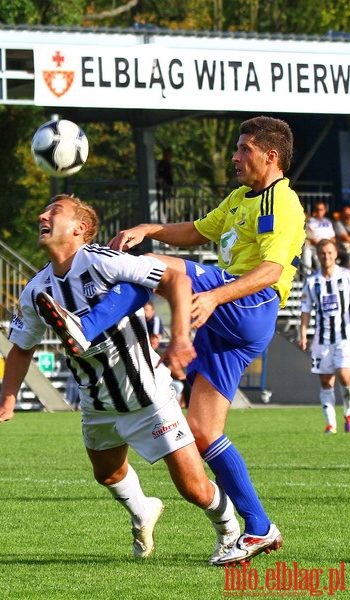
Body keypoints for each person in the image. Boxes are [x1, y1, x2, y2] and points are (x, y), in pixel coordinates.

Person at [0, 194, 240, 563]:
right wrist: (7, 400)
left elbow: (176, 278)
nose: (42, 215)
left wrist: (180, 337)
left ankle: (229, 529)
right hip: (97, 402)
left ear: (80, 229)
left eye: (55, 212)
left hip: (147, 396)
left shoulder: (101, 260)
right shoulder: (37, 290)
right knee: (109, 475)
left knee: (193, 489)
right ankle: (143, 511)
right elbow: (21, 347)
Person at [105, 115, 306, 565]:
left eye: (244, 149)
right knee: (201, 432)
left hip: (247, 307)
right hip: (227, 319)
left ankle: (91, 323)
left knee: (160, 268)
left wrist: (214, 295)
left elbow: (272, 270)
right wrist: (149, 228)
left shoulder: (284, 203)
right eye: (236, 149)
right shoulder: (240, 198)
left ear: (270, 156)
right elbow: (198, 231)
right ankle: (259, 528)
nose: (235, 157)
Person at [298, 239, 350, 434]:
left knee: (345, 377)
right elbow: (305, 309)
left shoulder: (346, 277)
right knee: (325, 381)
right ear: (318, 255)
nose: (326, 256)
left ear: (335, 254)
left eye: (329, 253)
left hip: (344, 337)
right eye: (322, 253)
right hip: (321, 339)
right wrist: (303, 333)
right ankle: (331, 424)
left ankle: (348, 413)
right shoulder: (312, 281)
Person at [302, 201, 336, 273]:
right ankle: (307, 276)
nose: (319, 211)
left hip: (327, 246)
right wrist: (321, 245)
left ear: (325, 210)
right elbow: (310, 236)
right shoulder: (310, 221)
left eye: (321, 209)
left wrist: (330, 245)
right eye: (317, 209)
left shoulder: (328, 222)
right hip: (314, 246)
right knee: (307, 253)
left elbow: (333, 237)